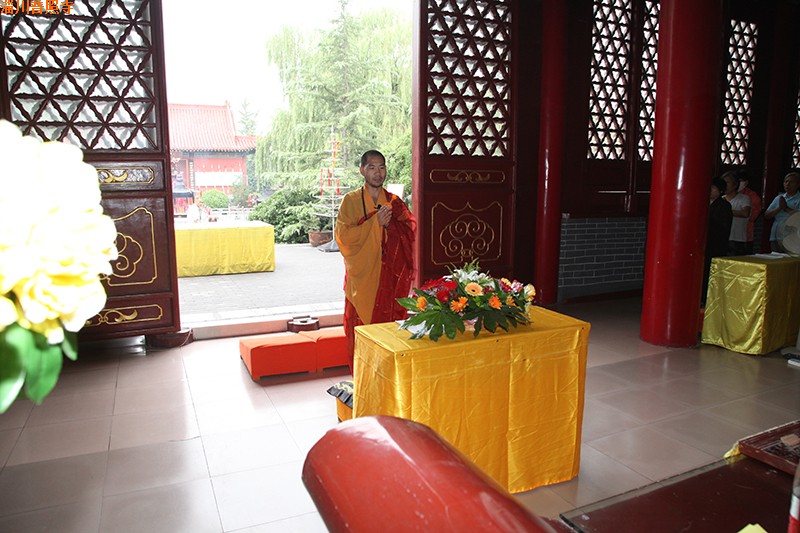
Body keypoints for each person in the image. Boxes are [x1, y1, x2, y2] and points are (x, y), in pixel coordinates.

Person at [335, 150, 416, 370]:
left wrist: (390, 226)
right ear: (362, 170)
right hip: (361, 279)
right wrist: (374, 224)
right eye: (371, 167)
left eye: (381, 167)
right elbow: (343, 237)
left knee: (387, 332)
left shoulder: (394, 202)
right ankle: (362, 378)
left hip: (388, 277)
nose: (377, 172)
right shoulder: (351, 201)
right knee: (359, 331)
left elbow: (409, 232)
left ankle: (387, 377)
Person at [703, 178, 732, 305]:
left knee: (712, 272)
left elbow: (723, 227)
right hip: (704, 244)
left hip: (716, 244)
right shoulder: (703, 203)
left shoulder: (724, 206)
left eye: (713, 188)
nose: (710, 190)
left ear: (720, 190)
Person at [764, 171, 800, 252]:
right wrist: (779, 208)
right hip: (775, 236)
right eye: (786, 181)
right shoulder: (779, 198)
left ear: (798, 184)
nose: (787, 184)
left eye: (791, 182)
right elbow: (767, 215)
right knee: (776, 257)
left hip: (792, 237)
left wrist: (786, 208)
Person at [721, 171, 751, 256]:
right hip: (722, 239)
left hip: (737, 239)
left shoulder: (744, 198)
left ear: (735, 184)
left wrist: (726, 211)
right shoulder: (721, 199)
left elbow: (745, 213)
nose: (725, 185)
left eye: (727, 182)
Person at [735, 169, 762, 254]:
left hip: (745, 236)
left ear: (746, 182)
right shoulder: (726, 195)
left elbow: (752, 216)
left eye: (740, 181)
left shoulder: (752, 196)